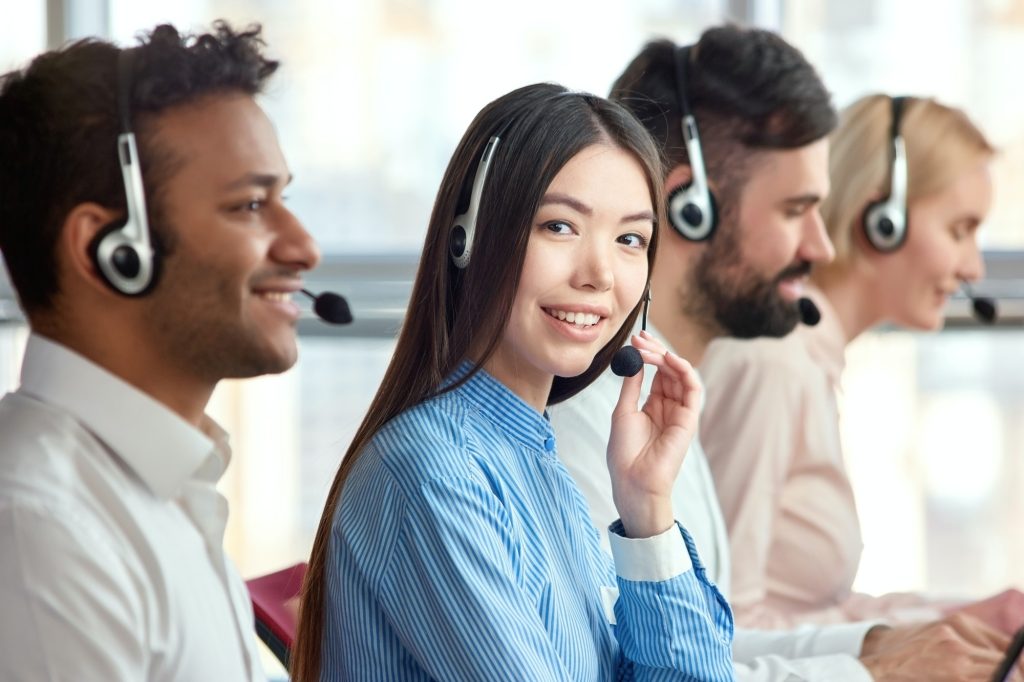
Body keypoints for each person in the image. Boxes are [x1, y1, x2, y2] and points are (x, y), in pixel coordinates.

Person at [551, 28, 1020, 682]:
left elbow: (698, 648)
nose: (822, 247)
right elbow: (634, 669)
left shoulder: (663, 401)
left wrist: (882, 646)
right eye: (797, 209)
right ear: (691, 207)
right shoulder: (581, 434)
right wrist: (874, 673)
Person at [292, 83, 734, 681]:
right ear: (468, 238)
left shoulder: (539, 462)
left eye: (630, 239)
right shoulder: (433, 471)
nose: (600, 274)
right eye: (559, 227)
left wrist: (646, 507)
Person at [0, 22, 321, 680]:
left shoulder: (165, 494)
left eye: (284, 199)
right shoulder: (41, 529)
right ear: (114, 250)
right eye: (250, 205)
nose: (303, 247)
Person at [699, 93, 1024, 635]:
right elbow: (723, 627)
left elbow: (813, 612)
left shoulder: (811, 360)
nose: (972, 267)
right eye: (959, 230)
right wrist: (905, 644)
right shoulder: (775, 363)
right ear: (880, 221)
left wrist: (950, 618)